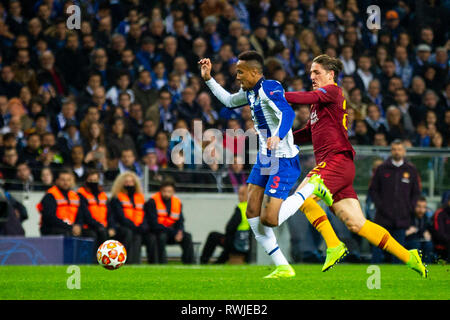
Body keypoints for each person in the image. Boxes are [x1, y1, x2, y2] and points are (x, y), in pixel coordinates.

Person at [282, 54, 428, 277]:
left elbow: (304, 97)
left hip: (335, 161)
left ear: (330, 75)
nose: (311, 76)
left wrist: (278, 95)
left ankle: (333, 245)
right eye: (310, 72)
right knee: (356, 223)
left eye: (316, 72)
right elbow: (309, 133)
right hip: (338, 166)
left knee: (303, 197)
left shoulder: (332, 91)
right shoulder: (319, 105)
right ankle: (409, 257)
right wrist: (284, 139)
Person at [199, 51, 330, 278]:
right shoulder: (249, 92)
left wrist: (278, 135)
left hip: (283, 159)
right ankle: (283, 266)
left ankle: (312, 187)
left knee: (270, 219)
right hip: (265, 157)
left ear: (254, 72)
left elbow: (287, 113)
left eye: (240, 72)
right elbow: (229, 101)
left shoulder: (270, 87)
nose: (237, 76)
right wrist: (208, 79)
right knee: (251, 212)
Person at [368, 140, 422, 263]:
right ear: (391, 151)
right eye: (394, 149)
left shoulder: (411, 170)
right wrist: (380, 206)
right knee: (378, 247)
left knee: (398, 250)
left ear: (404, 151)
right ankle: (374, 271)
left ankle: (396, 277)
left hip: (402, 217)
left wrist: (410, 207)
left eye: (399, 149)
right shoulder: (382, 169)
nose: (397, 152)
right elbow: (373, 190)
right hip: (382, 217)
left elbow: (416, 192)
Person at [109, 171, 156, 264]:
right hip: (122, 227)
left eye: (131, 182)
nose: (129, 184)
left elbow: (145, 215)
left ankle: (154, 264)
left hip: (138, 227)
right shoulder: (116, 198)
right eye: (126, 182)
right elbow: (120, 217)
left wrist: (143, 226)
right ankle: (126, 261)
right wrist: (135, 227)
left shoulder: (140, 198)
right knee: (129, 233)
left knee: (151, 236)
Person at [144, 179, 194, 264]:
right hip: (159, 232)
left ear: (173, 192)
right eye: (164, 191)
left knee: (187, 236)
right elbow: (153, 224)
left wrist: (180, 231)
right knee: (161, 237)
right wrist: (173, 232)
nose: (167, 194)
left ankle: (189, 263)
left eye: (169, 191)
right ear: (160, 191)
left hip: (172, 233)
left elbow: (180, 220)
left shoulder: (177, 202)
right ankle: (162, 263)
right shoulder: (152, 202)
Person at [200, 185, 251, 264]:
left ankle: (203, 261)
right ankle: (219, 262)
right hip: (247, 245)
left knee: (213, 236)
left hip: (237, 243)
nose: (239, 197)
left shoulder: (241, 207)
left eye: (242, 194)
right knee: (228, 241)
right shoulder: (254, 207)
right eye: (239, 194)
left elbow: (230, 228)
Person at [36, 168, 87, 236]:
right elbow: (50, 218)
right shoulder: (50, 195)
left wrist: (78, 226)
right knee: (65, 233)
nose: (66, 183)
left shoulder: (75, 196)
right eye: (63, 180)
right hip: (53, 229)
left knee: (89, 233)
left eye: (68, 180)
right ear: (57, 181)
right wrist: (70, 227)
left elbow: (80, 215)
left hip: (70, 228)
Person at [77, 169, 116, 253]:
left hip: (102, 226)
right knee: (97, 233)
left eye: (95, 180)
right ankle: (96, 259)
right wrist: (99, 225)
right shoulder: (81, 194)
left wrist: (112, 227)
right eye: (90, 180)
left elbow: (110, 214)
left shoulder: (103, 195)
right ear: (86, 180)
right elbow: (85, 215)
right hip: (88, 226)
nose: (93, 182)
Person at [405, 197, 435, 264]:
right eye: (418, 207)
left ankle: (427, 266)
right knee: (416, 245)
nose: (421, 210)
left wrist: (428, 234)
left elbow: (429, 230)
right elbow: (400, 234)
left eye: (424, 207)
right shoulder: (408, 217)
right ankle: (415, 266)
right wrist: (408, 232)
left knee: (429, 245)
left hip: (421, 241)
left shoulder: (425, 218)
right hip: (409, 241)